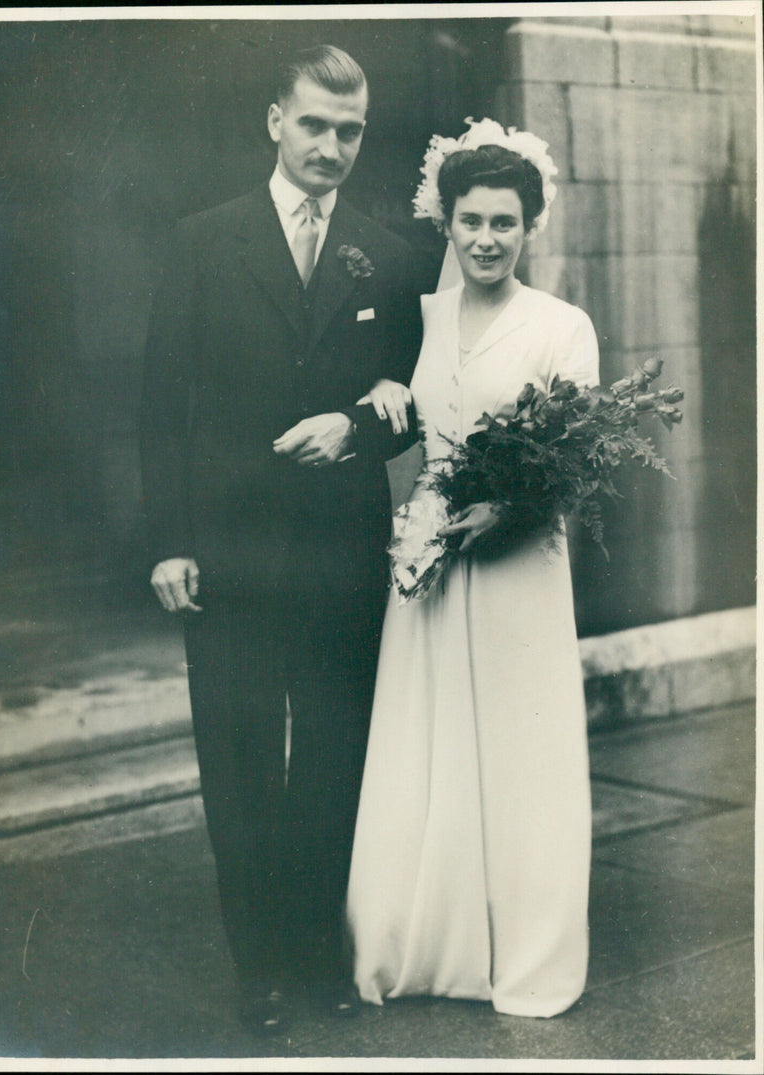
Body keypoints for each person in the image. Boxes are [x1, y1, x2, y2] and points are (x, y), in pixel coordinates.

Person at [139, 44, 421, 1035]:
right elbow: (159, 404)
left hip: (341, 550)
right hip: (231, 550)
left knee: (336, 760)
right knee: (243, 760)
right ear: (274, 121)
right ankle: (257, 968)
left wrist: (364, 420)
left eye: (349, 130)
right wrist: (169, 541)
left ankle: (318, 958)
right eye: (314, 125)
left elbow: (414, 401)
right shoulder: (200, 242)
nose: (332, 146)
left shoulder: (385, 253)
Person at [346, 120, 599, 1018]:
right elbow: (404, 412)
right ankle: (423, 944)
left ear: (530, 228)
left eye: (504, 222)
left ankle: (525, 953)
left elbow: (571, 460)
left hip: (517, 563)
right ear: (445, 224)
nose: (486, 239)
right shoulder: (423, 317)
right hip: (433, 560)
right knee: (429, 739)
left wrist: (513, 509)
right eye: (470, 221)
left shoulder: (562, 327)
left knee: (517, 752)